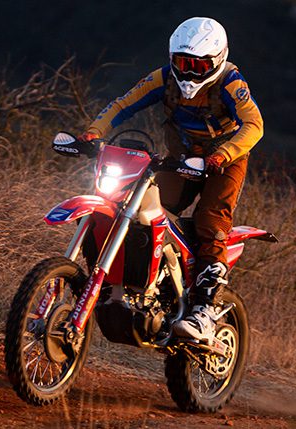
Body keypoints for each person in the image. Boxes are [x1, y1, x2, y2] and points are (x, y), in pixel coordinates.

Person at [80, 17, 263, 342]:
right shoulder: (163, 79)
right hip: (180, 160)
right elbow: (123, 104)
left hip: (225, 161)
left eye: (198, 65)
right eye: (182, 63)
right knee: (142, 206)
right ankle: (141, 282)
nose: (189, 72)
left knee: (210, 221)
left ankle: (204, 311)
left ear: (217, 60)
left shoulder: (231, 84)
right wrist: (94, 132)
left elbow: (254, 124)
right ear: (171, 58)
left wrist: (222, 154)